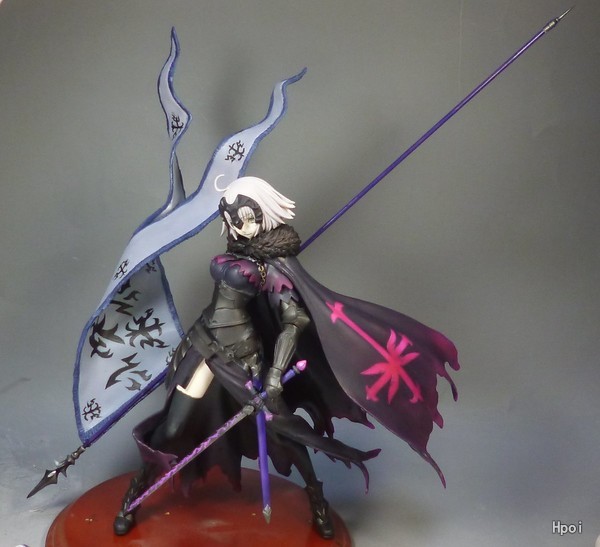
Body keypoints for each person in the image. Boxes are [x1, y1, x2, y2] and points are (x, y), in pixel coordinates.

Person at [113, 176, 459, 539]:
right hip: (203, 344)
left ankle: (317, 499)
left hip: (240, 358)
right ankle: (135, 495)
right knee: (172, 426)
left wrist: (276, 372)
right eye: (229, 218)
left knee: (281, 429)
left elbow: (295, 321)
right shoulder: (239, 250)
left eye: (244, 218)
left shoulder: (275, 267)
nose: (236, 226)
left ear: (261, 214)